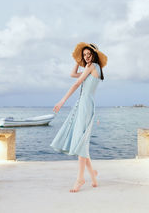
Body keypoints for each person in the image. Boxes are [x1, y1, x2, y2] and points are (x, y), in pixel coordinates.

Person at [50, 42, 107, 193]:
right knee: (81, 141)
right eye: (84, 55)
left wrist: (62, 101)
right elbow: (72, 74)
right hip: (83, 105)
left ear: (94, 55)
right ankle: (93, 177)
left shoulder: (93, 66)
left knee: (81, 141)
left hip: (85, 106)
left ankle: (80, 178)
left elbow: (76, 83)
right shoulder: (92, 68)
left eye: (89, 54)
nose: (86, 57)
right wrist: (78, 60)